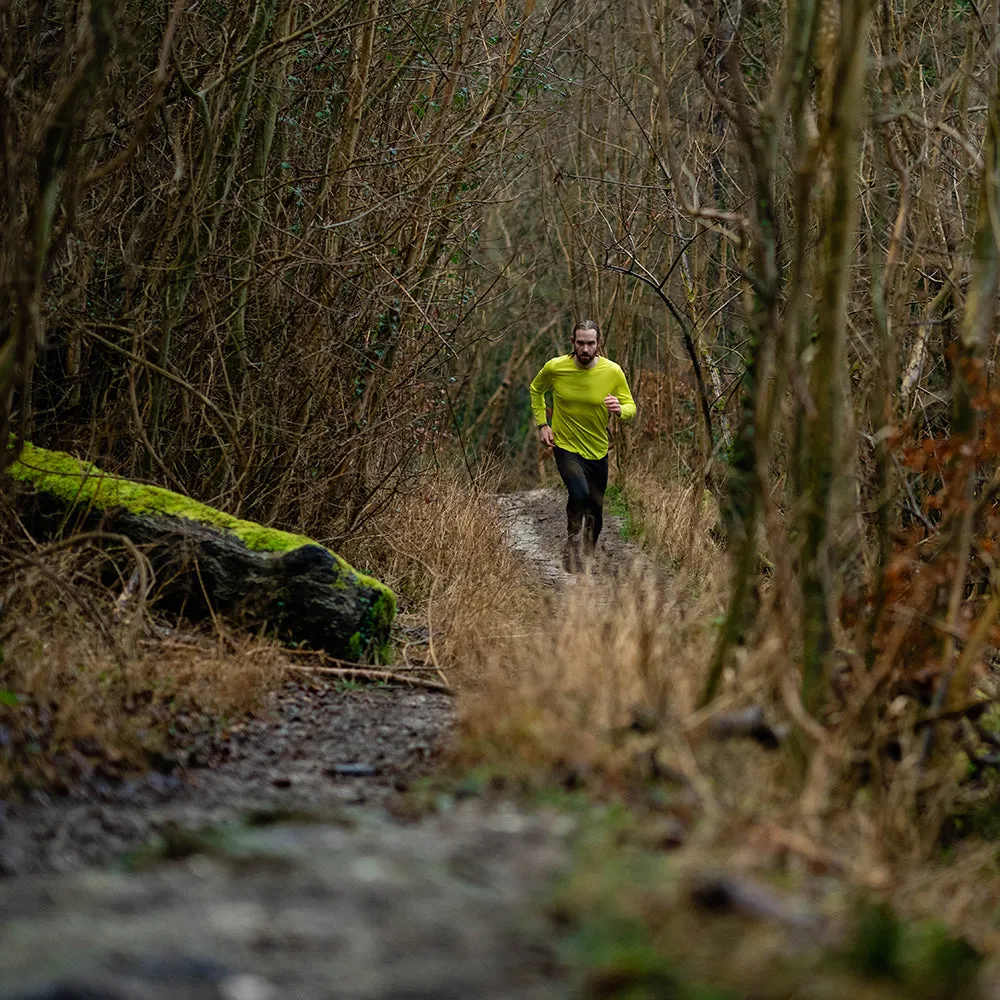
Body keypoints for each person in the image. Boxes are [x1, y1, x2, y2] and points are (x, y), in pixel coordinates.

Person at [529, 319, 636, 572]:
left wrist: (621, 410)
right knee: (579, 494)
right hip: (565, 446)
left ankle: (587, 555)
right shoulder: (556, 368)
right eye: (580, 343)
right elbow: (536, 389)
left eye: (590, 343)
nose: (585, 349)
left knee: (596, 510)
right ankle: (571, 543)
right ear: (572, 343)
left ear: (599, 344)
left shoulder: (613, 372)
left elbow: (631, 407)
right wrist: (542, 425)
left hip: (598, 449)